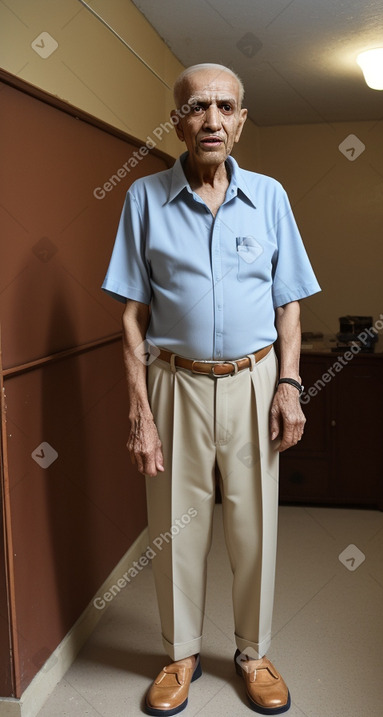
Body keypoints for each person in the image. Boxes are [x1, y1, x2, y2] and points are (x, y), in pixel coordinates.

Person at [102, 62, 320, 716]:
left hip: (255, 384)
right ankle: (180, 653)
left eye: (226, 107)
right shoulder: (143, 198)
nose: (213, 120)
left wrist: (288, 383)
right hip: (175, 385)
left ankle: (252, 652)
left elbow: (290, 307)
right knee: (174, 527)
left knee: (255, 528)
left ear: (242, 119)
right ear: (178, 122)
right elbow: (130, 316)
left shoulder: (272, 197)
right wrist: (139, 407)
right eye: (198, 107)